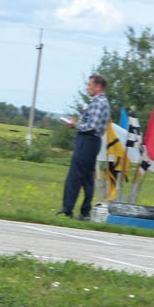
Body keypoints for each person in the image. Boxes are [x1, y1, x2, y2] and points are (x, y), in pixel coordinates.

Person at [59, 74, 110, 219]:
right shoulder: (100, 102)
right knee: (87, 177)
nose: (87, 88)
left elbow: (91, 126)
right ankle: (85, 212)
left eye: (89, 85)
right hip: (92, 141)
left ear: (98, 86)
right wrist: (77, 122)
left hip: (87, 140)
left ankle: (67, 210)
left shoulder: (99, 103)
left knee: (74, 176)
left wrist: (75, 124)